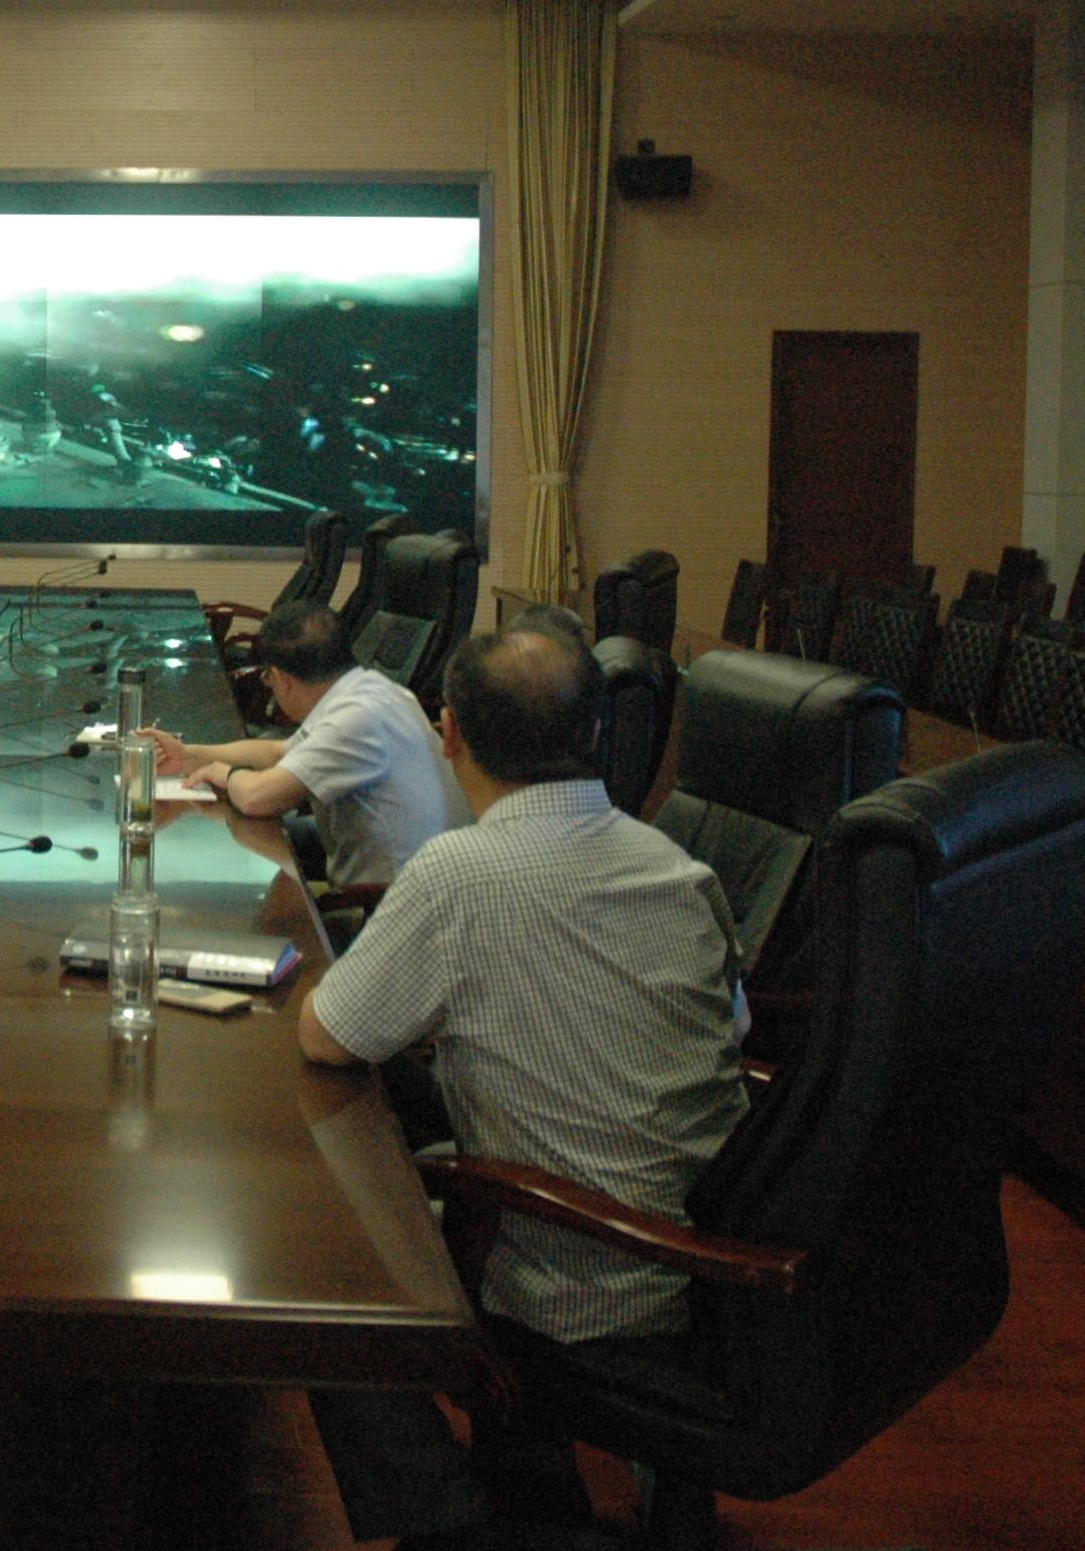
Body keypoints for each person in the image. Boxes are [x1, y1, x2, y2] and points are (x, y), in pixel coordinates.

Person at [298, 624, 746, 1550]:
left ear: (450, 733)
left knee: (313, 1267)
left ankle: (449, 1522)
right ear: (597, 732)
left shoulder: (457, 874)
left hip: (574, 1274)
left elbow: (328, 1037)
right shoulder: (680, 868)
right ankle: (534, 1477)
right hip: (711, 1257)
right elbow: (727, 1033)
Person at [141, 601, 459, 890]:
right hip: (418, 874)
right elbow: (278, 752)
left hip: (391, 901)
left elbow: (255, 798)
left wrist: (225, 775)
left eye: (268, 679)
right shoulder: (374, 690)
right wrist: (188, 756)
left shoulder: (355, 721)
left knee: (235, 852)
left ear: (281, 678)